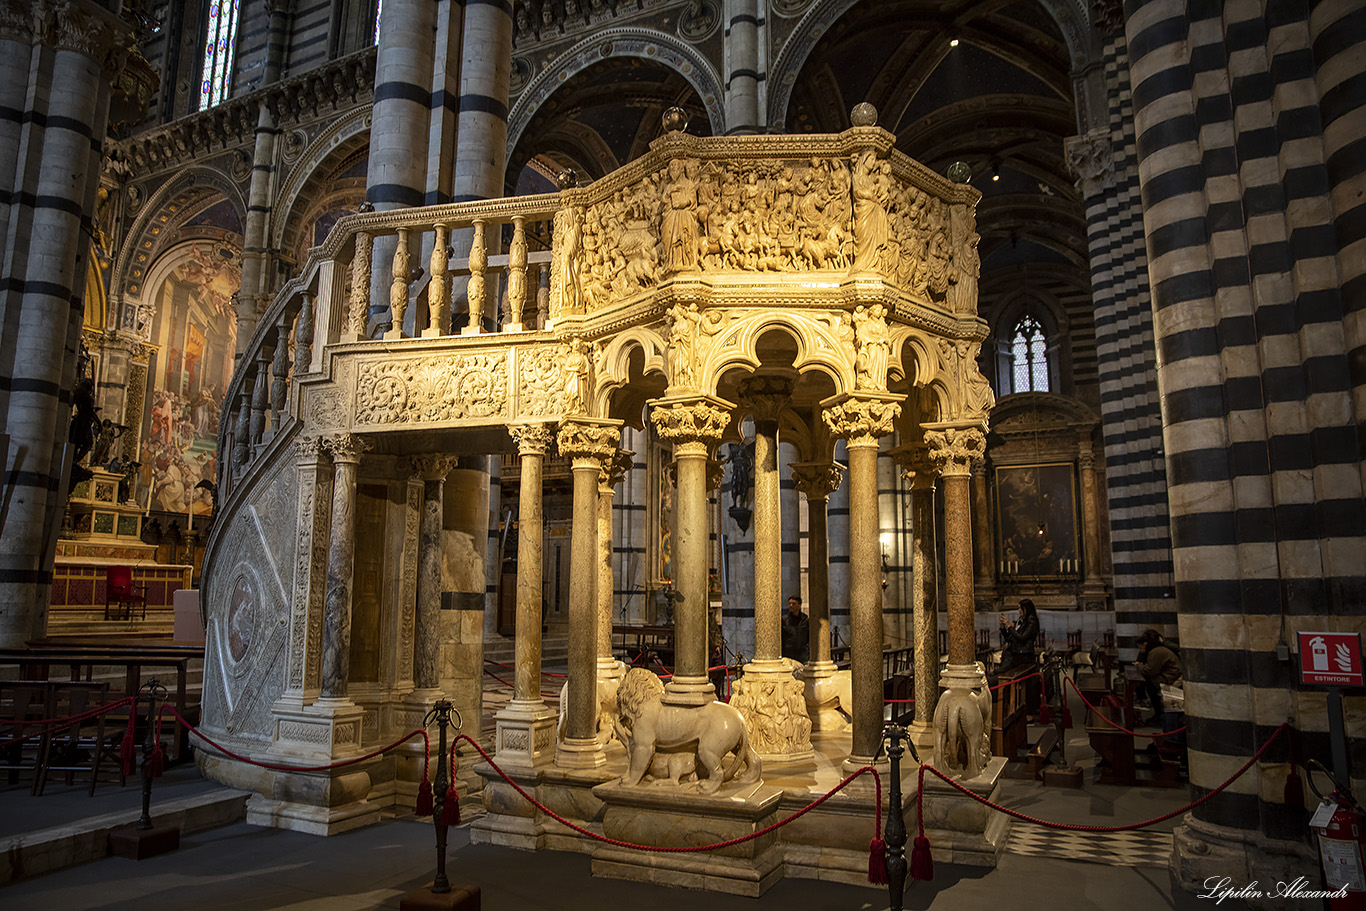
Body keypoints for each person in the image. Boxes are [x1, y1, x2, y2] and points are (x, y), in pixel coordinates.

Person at [1134, 629, 1181, 722]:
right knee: (1146, 682)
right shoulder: (1154, 650)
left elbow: (1150, 671)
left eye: (1140, 647)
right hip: (1167, 676)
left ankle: (1157, 713)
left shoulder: (1156, 652)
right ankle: (1154, 709)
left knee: (1148, 683)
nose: (1140, 650)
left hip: (1169, 678)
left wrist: (1139, 665)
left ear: (1145, 644)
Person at [999, 598, 1040, 671]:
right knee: (1000, 671)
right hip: (1015, 654)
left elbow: (1022, 638)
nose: (1019, 610)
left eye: (1020, 608)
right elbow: (1009, 638)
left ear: (1026, 609)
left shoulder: (1032, 622)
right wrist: (1003, 628)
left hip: (1023, 656)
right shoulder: (1021, 620)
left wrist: (1009, 626)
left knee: (1000, 672)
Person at [782, 595, 809, 663]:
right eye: (789, 603)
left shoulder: (805, 619)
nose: (791, 605)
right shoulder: (784, 620)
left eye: (793, 604)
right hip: (788, 654)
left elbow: (808, 636)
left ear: (799, 606)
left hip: (802, 654)